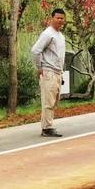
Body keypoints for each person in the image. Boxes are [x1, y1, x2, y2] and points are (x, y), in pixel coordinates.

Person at [31, 8, 66, 137]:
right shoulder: (48, 34)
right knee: (48, 101)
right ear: (52, 18)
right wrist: (39, 67)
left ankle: (48, 125)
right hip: (49, 71)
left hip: (57, 72)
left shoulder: (60, 36)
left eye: (62, 18)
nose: (60, 20)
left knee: (53, 101)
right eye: (57, 18)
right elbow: (35, 51)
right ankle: (47, 128)